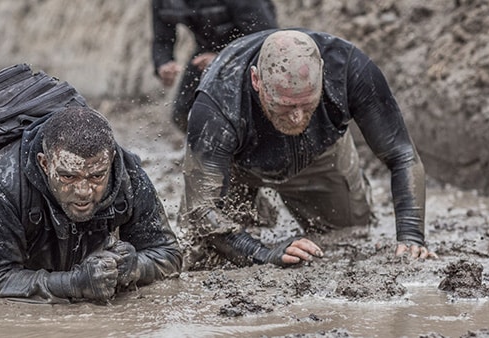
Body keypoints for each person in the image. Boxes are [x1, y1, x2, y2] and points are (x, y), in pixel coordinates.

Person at [180, 28, 437, 269]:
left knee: (348, 236)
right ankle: (256, 208)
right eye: (285, 105)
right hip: (235, 164)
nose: (296, 118)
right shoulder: (218, 99)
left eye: (306, 103)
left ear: (322, 73)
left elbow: (402, 155)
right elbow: (202, 211)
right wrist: (264, 253)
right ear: (256, 80)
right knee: (201, 253)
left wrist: (411, 236)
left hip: (319, 154)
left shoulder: (350, 69)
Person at [0, 106, 182, 303]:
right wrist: (73, 284)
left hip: (62, 253)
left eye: (96, 176)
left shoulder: (128, 173)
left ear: (110, 160)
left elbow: (168, 254)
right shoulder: (2, 181)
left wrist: (135, 266)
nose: (84, 191)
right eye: (68, 176)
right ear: (45, 164)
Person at [151, 0, 278, 133]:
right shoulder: (164, 2)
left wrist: (222, 58)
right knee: (181, 113)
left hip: (251, 53)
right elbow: (162, 40)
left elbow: (265, 38)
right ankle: (204, 148)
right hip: (206, 50)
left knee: (248, 115)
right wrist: (164, 64)